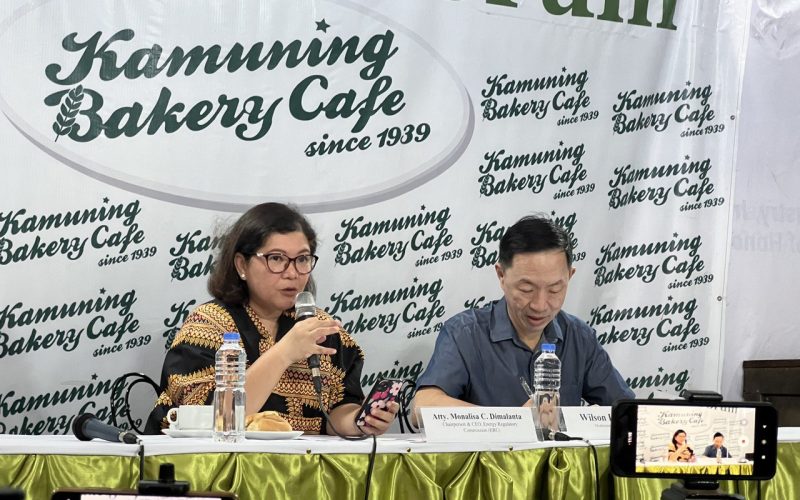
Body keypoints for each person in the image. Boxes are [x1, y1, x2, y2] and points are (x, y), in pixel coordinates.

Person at [144, 202, 398, 435]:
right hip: (212, 465)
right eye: (276, 258)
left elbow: (338, 410)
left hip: (300, 465)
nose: (292, 273)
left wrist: (361, 421)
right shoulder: (207, 325)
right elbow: (212, 418)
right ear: (242, 265)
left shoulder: (320, 327)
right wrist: (285, 351)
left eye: (302, 259)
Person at [414, 214, 634, 411]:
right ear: (501, 275)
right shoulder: (464, 334)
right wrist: (512, 422)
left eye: (554, 289)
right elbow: (423, 406)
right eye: (527, 289)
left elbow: (628, 410)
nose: (540, 305)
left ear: (570, 276)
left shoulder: (579, 336)